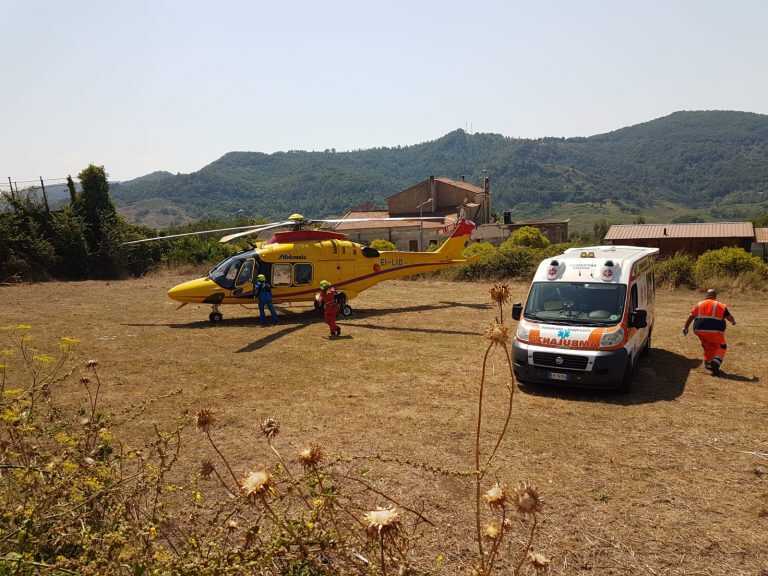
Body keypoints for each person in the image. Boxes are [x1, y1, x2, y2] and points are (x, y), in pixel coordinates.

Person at [683, 288, 735, 376]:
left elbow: (691, 316)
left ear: (706, 296)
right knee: (722, 346)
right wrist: (733, 322)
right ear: (715, 296)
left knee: (708, 346)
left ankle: (708, 363)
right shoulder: (720, 305)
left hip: (699, 330)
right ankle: (716, 362)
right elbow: (729, 317)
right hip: (715, 331)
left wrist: (685, 327)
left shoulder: (699, 304)